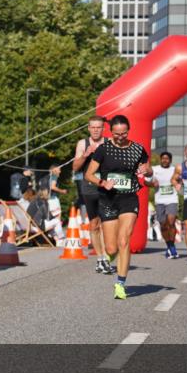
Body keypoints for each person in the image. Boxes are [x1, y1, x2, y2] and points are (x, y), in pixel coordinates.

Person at [84, 115, 152, 300]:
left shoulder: (138, 149)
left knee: (124, 241)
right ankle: (112, 257)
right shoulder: (103, 149)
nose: (120, 137)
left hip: (129, 199)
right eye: (116, 134)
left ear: (128, 130)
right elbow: (89, 175)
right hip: (108, 199)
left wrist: (148, 171)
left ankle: (120, 284)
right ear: (111, 132)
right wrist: (102, 182)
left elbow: (148, 169)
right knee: (112, 248)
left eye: (124, 133)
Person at [72, 116, 110, 273]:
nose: (95, 130)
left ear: (103, 129)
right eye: (93, 127)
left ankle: (107, 257)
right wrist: (86, 154)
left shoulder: (109, 143)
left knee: (107, 224)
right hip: (88, 189)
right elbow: (75, 167)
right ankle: (100, 259)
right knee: (94, 224)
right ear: (88, 128)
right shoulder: (83, 144)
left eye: (98, 127)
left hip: (105, 188)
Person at [149, 151, 181, 258]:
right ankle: (169, 245)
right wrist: (152, 183)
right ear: (160, 159)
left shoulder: (174, 170)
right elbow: (145, 181)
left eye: (167, 159)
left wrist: (179, 184)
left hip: (172, 199)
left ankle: (172, 247)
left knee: (171, 222)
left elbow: (181, 180)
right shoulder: (155, 169)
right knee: (163, 224)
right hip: (159, 201)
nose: (165, 160)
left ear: (170, 161)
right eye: (163, 158)